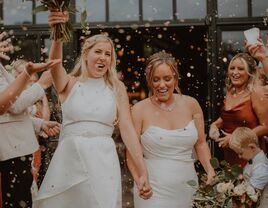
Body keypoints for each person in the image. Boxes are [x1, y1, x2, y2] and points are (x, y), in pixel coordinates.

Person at [33, 11, 151, 208]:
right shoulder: (69, 83)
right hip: (69, 158)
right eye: (98, 52)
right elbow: (54, 66)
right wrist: (58, 33)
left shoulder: (116, 88)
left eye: (108, 54)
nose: (103, 58)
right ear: (86, 54)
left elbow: (128, 129)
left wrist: (142, 170)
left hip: (103, 160)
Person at [126, 51, 215, 207]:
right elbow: (132, 152)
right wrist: (140, 179)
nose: (162, 85)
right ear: (149, 81)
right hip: (152, 188)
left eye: (167, 79)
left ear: (175, 78)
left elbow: (200, 143)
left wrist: (210, 169)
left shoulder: (191, 104)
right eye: (156, 79)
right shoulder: (139, 109)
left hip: (187, 185)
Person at [209, 53, 268, 167]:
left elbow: (266, 126)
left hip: (249, 155)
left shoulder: (256, 92)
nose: (235, 72)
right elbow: (230, 116)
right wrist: (215, 125)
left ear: (249, 73)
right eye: (232, 68)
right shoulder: (230, 91)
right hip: (230, 154)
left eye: (240, 69)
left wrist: (235, 138)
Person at [229, 127, 268, 207]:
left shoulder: (261, 168)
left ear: (252, 147)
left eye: (240, 153)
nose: (239, 157)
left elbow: (250, 197)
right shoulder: (253, 160)